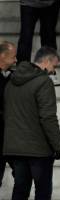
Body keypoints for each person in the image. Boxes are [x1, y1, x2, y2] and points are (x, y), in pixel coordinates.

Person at [3, 47, 60, 200]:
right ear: (46, 62)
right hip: (38, 149)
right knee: (42, 193)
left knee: (19, 192)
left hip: (13, 147)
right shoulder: (43, 82)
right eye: (54, 67)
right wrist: (57, 144)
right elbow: (47, 117)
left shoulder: (11, 80)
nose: (53, 71)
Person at [16, 0, 60, 85]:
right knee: (26, 37)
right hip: (28, 3)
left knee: (49, 36)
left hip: (51, 4)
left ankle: (50, 71)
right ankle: (22, 72)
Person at [0, 41, 16, 190]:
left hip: (11, 138)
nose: (15, 60)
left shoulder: (13, 76)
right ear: (3, 56)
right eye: (13, 56)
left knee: (22, 174)